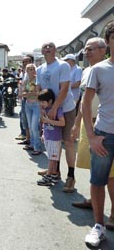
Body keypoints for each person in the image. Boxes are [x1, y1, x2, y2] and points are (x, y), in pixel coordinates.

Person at [71, 37, 114, 230]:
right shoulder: (89, 71)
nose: (86, 52)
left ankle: (113, 213)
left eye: (91, 49)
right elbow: (84, 102)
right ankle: (94, 205)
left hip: (102, 127)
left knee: (111, 176)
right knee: (95, 172)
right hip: (94, 127)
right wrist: (78, 122)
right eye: (85, 49)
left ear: (103, 49)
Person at [82, 22, 114, 247]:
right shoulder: (99, 69)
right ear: (109, 41)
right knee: (98, 181)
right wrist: (91, 136)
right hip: (105, 134)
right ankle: (99, 226)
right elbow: (85, 105)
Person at [36, 42, 77, 193]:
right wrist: (42, 109)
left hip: (65, 108)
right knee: (53, 141)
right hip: (49, 109)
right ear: (41, 50)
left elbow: (65, 88)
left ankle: (71, 176)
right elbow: (39, 89)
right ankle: (54, 171)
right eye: (45, 46)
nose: (47, 48)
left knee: (68, 142)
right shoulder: (40, 68)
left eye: (50, 46)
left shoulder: (62, 65)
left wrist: (54, 108)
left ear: (55, 50)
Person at [37, 89, 65, 186]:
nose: (41, 104)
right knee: (52, 158)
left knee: (52, 159)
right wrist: (43, 134)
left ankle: (48, 176)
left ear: (50, 101)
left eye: (43, 102)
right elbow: (44, 124)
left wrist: (49, 121)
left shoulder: (57, 110)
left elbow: (62, 123)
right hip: (48, 138)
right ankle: (54, 176)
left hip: (55, 139)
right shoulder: (45, 110)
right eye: (40, 102)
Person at [22, 63, 42, 155]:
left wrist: (27, 94)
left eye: (33, 68)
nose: (32, 70)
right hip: (28, 105)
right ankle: (32, 144)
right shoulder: (26, 81)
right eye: (30, 69)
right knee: (30, 126)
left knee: (34, 127)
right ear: (27, 71)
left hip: (36, 104)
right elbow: (22, 92)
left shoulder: (37, 80)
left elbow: (38, 93)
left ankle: (37, 147)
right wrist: (27, 93)